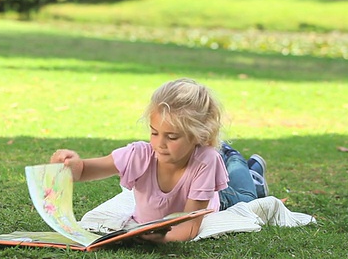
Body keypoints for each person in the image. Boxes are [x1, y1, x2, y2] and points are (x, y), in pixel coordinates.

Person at [50, 78, 268, 243]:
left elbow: (189, 226)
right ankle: (233, 158)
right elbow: (86, 170)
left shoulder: (205, 161)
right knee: (222, 161)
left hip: (221, 198)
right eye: (155, 133)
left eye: (172, 137)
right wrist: (71, 165)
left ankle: (246, 167)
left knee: (247, 195)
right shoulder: (139, 155)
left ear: (198, 136)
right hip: (200, 167)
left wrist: (160, 240)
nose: (159, 143)